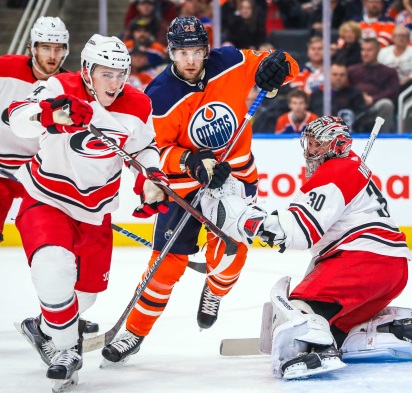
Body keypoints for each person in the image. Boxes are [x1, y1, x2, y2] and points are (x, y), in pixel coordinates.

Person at [100, 16, 299, 366]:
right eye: (182, 52)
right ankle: (135, 331)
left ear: (206, 50)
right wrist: (190, 161)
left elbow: (283, 62)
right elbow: (154, 151)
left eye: (196, 51)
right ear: (171, 53)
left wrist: (279, 66)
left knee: (231, 256)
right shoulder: (159, 96)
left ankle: (214, 290)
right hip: (186, 188)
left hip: (237, 180)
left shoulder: (231, 62)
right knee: (165, 268)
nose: (190, 60)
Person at [203, 116, 412, 379]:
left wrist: (241, 217)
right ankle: (398, 331)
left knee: (299, 313)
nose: (310, 151)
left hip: (364, 263)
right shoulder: (354, 169)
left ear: (336, 146)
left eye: (318, 145)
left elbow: (295, 232)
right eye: (311, 143)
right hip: (392, 270)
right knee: (336, 326)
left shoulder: (336, 172)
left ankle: (316, 350)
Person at [8, 34, 168, 391]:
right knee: (53, 268)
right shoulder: (59, 86)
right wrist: (53, 113)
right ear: (85, 71)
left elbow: (144, 150)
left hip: (96, 212)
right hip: (46, 198)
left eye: (120, 74)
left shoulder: (138, 105)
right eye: (105, 74)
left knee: (86, 295)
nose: (114, 83)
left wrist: (151, 178)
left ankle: (43, 328)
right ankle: (65, 350)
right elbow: (16, 117)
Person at [0, 17, 70, 245]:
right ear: (32, 48)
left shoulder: (68, 86)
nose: (52, 56)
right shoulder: (5, 68)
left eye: (58, 49)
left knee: (49, 241)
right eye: (46, 48)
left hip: (35, 175)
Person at [348, 38, 400, 133]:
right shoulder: (352, 70)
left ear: (377, 51)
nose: (365, 53)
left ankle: (383, 137)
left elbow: (393, 91)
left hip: (376, 106)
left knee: (386, 104)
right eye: (363, 50)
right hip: (355, 104)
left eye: (369, 50)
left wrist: (373, 99)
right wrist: (358, 97)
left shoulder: (389, 72)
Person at [309, 63, 367, 129]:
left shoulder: (354, 94)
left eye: (342, 75)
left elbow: (362, 116)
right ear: (328, 76)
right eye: (335, 74)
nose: (338, 78)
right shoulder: (317, 95)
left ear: (347, 77)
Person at [377, 25, 412, 89]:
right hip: (384, 84)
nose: (401, 38)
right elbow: (377, 69)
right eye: (398, 35)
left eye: (404, 36)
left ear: (408, 39)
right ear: (393, 38)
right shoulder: (383, 51)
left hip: (405, 85)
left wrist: (401, 83)